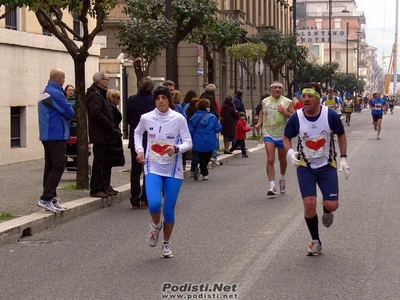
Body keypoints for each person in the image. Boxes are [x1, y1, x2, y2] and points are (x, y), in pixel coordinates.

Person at [283, 83, 350, 256]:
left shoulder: (330, 115)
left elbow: (341, 134)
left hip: (327, 166)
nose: (305, 99)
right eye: (303, 96)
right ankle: (316, 241)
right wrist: (290, 152)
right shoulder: (296, 117)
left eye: (310, 96)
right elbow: (286, 137)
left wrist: (343, 157)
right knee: (309, 203)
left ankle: (327, 210)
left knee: (332, 205)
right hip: (305, 167)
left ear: (318, 98)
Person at [134, 86, 192, 258]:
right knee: (153, 204)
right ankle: (156, 225)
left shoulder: (178, 118)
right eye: (158, 98)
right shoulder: (146, 118)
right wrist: (139, 150)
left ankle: (166, 243)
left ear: (169, 100)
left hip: (173, 169)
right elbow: (137, 133)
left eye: (164, 98)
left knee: (168, 210)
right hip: (153, 166)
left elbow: (188, 142)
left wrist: (176, 148)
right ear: (155, 100)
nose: (161, 101)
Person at [37, 68, 75, 213]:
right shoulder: (56, 93)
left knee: (50, 166)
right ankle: (46, 198)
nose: (64, 80)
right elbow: (69, 111)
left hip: (47, 135)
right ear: (60, 79)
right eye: (63, 78)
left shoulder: (46, 90)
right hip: (56, 134)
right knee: (58, 166)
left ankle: (51, 199)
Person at [255, 82, 294, 196]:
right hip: (268, 134)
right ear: (271, 89)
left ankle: (282, 179)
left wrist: (284, 112)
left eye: (280, 88)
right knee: (270, 160)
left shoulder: (287, 102)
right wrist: (259, 122)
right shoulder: (265, 101)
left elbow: (295, 117)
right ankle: (272, 186)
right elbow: (262, 112)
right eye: (275, 88)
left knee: (282, 159)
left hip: (282, 135)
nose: (277, 89)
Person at [86, 71, 118, 198]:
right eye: (106, 79)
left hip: (105, 134)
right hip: (100, 134)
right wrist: (109, 124)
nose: (108, 82)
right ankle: (96, 188)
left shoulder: (101, 93)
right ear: (100, 81)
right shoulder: (94, 94)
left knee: (105, 162)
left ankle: (105, 186)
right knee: (99, 162)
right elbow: (95, 113)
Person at [127, 77, 156, 208]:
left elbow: (127, 118)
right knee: (148, 169)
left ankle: (134, 198)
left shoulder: (131, 100)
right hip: (151, 138)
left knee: (135, 169)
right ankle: (145, 198)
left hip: (136, 136)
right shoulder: (153, 102)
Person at [189, 98, 222, 181]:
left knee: (201, 157)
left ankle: (204, 172)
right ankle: (204, 172)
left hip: (198, 140)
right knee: (207, 157)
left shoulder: (194, 117)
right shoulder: (212, 117)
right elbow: (218, 128)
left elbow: (190, 130)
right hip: (210, 140)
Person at [105, 89, 125, 195]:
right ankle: (106, 185)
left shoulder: (112, 107)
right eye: (117, 98)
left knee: (109, 163)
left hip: (114, 136)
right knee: (108, 163)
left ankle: (107, 185)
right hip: (112, 137)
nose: (119, 100)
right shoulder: (111, 108)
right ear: (112, 98)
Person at [186, 97, 200, 178]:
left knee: (195, 153)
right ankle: (196, 168)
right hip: (197, 135)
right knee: (198, 154)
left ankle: (193, 169)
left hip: (191, 134)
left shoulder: (188, 111)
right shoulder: (197, 114)